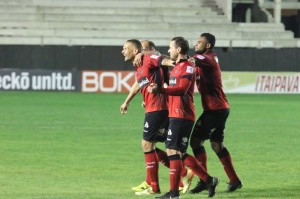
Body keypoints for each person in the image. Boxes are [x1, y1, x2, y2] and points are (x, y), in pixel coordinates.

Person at [148, 36, 219, 199]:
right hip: (175, 113)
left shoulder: (187, 67)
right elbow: (173, 90)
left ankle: (174, 192)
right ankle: (208, 180)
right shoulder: (177, 67)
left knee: (173, 150)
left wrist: (160, 90)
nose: (168, 50)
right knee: (176, 151)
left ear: (178, 50)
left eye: (170, 47)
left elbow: (181, 90)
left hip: (183, 115)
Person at [120, 39, 191, 195]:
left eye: (126, 48)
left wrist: (178, 63)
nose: (122, 51)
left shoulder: (147, 59)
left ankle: (155, 185)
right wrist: (127, 101)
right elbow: (138, 84)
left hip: (158, 108)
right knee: (170, 148)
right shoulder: (138, 65)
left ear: (135, 51)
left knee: (148, 145)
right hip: (156, 107)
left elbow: (163, 60)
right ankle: (187, 175)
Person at [189, 33, 242, 193]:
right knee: (216, 144)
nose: (196, 44)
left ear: (208, 46)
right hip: (220, 108)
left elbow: (191, 60)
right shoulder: (205, 60)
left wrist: (159, 57)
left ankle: (204, 180)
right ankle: (234, 180)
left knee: (195, 142)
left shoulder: (208, 58)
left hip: (215, 110)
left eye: (200, 42)